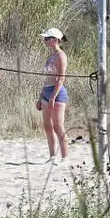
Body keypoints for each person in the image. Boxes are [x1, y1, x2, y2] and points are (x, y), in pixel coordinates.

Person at [37, 27, 68, 164]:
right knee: (47, 126)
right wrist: (40, 97)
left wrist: (53, 97)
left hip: (57, 94)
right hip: (46, 91)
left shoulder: (61, 55)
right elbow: (47, 78)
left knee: (58, 126)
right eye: (45, 38)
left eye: (47, 38)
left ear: (55, 40)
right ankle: (52, 156)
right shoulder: (50, 56)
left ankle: (65, 157)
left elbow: (61, 78)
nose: (44, 40)